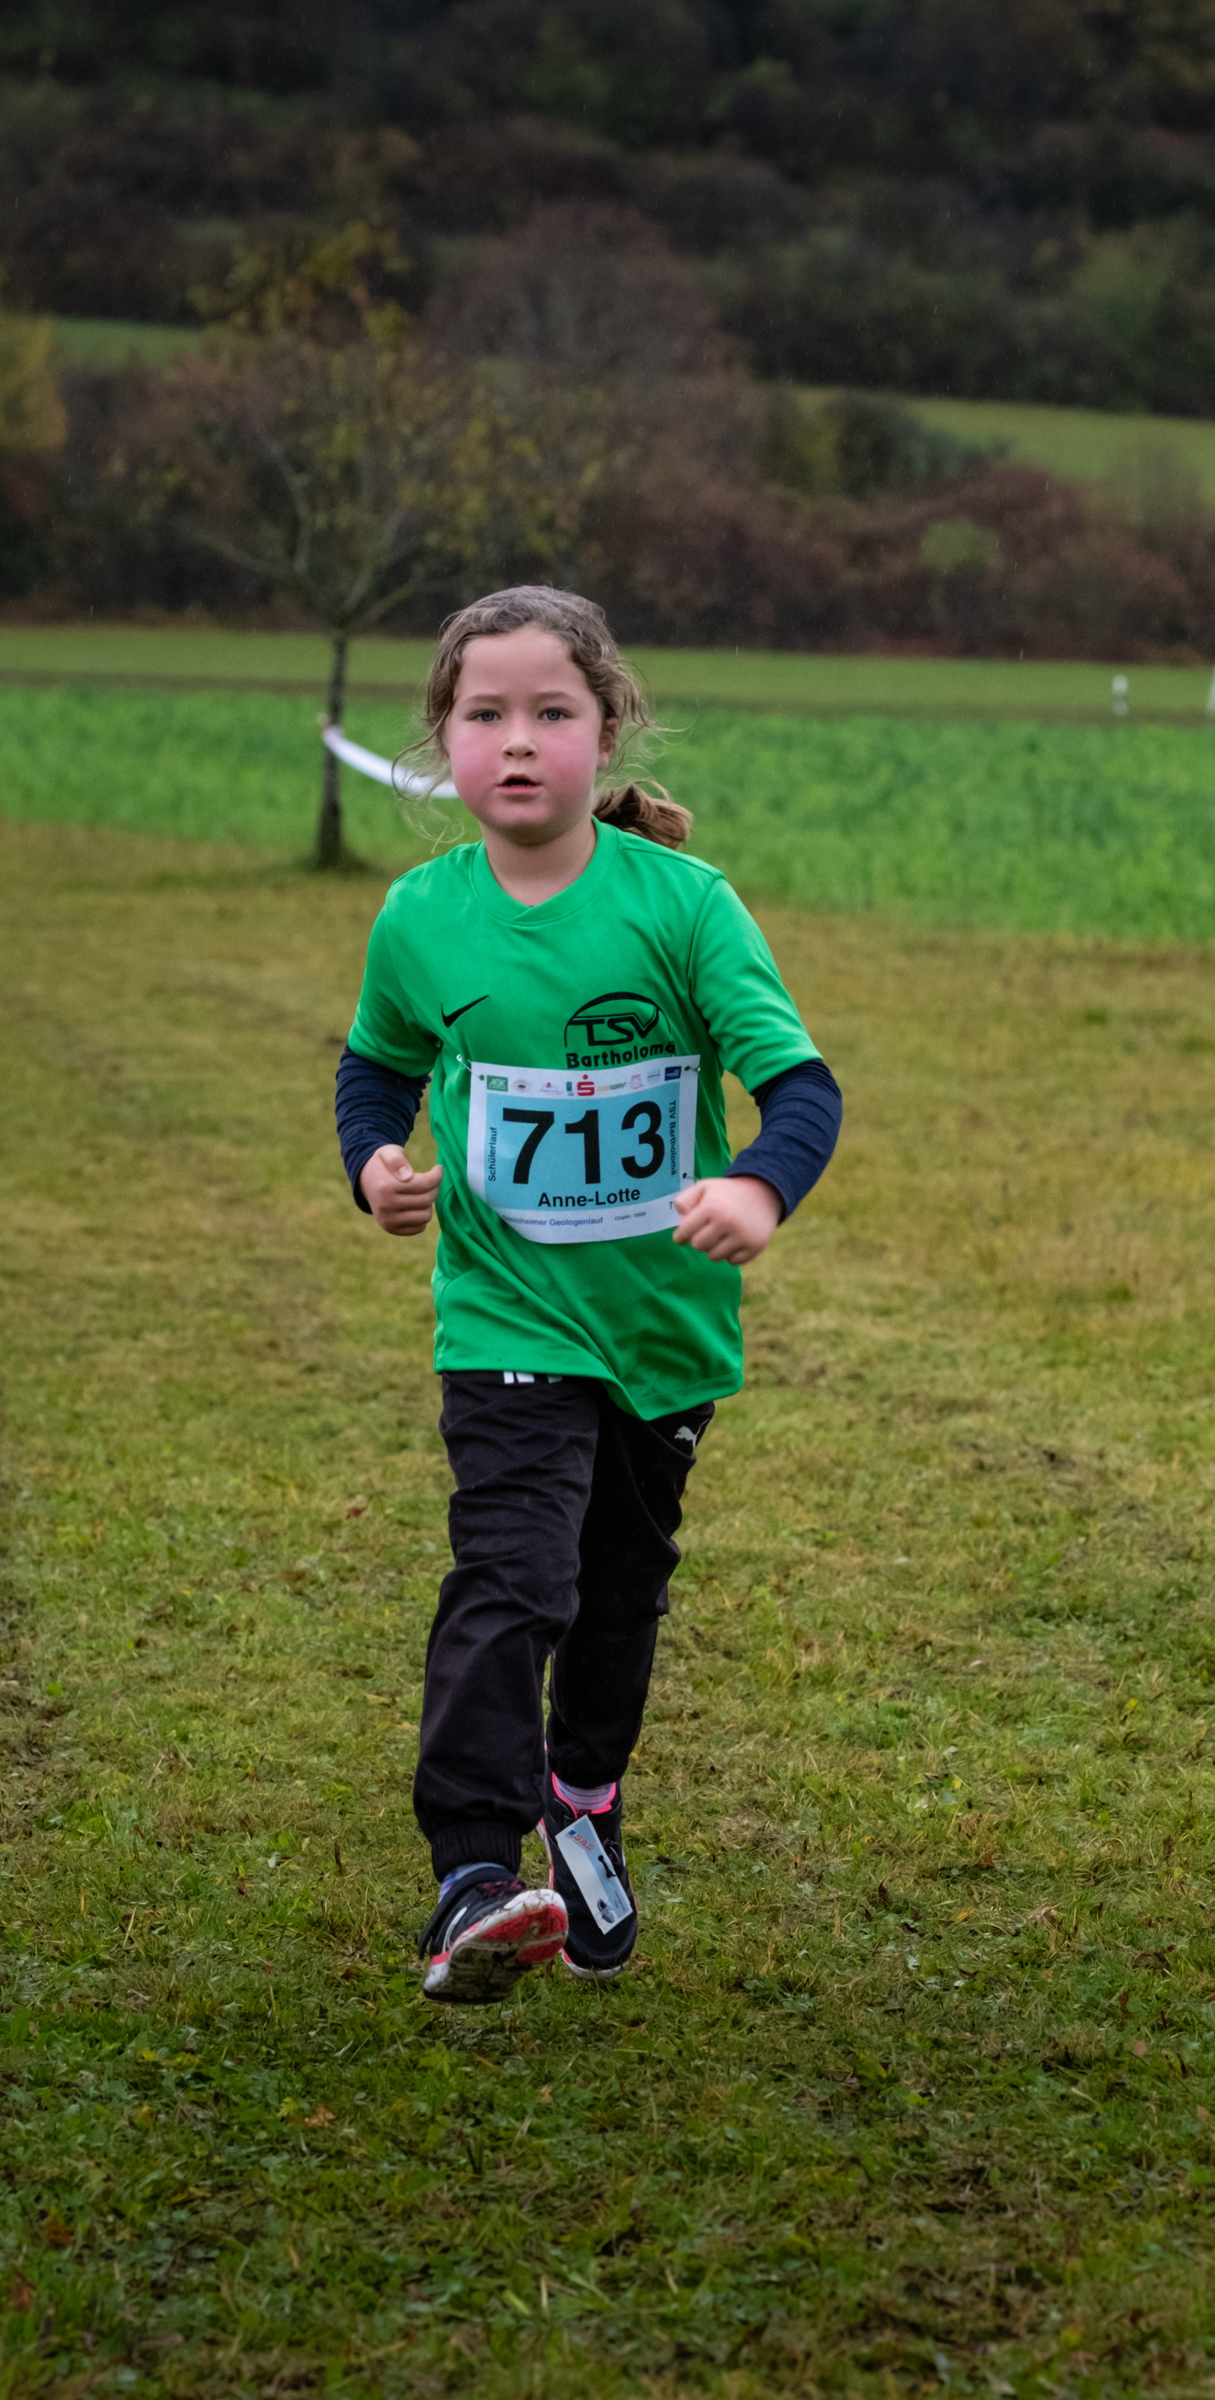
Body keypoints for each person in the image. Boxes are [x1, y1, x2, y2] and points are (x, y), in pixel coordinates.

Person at [334, 586, 841, 2001]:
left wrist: (757, 1187)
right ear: (442, 739)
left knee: (616, 1598)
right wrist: (374, 1163)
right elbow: (375, 1062)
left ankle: (584, 1797)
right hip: (503, 1315)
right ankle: (473, 1871)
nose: (516, 740)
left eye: (550, 712)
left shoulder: (684, 908)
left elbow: (799, 1087)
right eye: (484, 713)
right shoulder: (420, 918)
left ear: (606, 731)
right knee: (515, 1573)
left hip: (662, 1329)